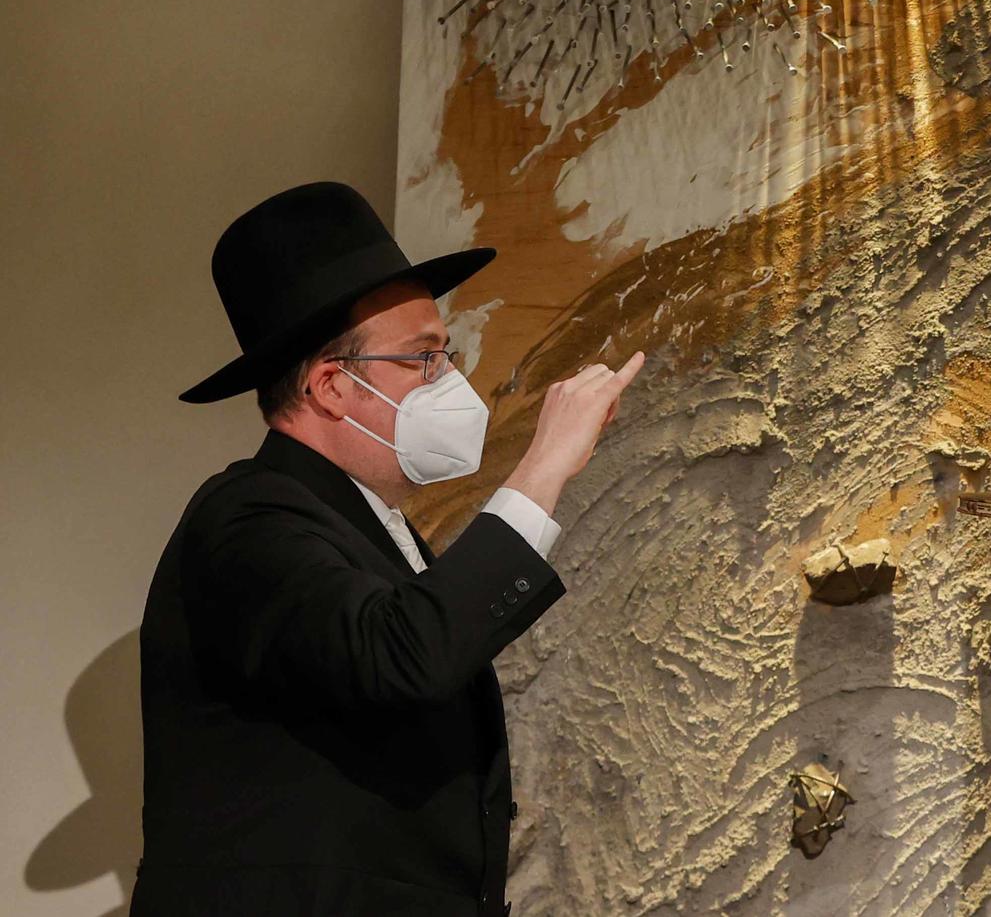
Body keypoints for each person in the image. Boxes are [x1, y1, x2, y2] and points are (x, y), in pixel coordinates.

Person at [135, 182, 643, 916]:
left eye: (447, 354)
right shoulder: (246, 516)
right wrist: (542, 466)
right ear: (332, 386)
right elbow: (405, 653)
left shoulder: (379, 532)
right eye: (424, 359)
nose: (452, 382)